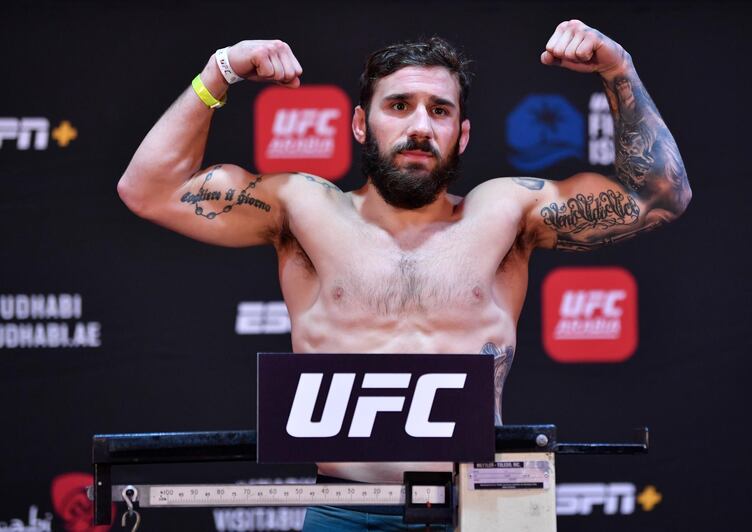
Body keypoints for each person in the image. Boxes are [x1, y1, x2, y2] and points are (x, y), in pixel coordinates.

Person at [118, 19, 691, 531]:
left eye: (440, 111)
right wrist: (219, 71)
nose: (421, 125)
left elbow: (662, 194)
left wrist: (618, 66)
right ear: (362, 125)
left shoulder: (506, 212)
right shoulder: (303, 209)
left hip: (480, 506)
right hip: (344, 508)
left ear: (462, 134)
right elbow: (149, 190)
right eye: (400, 106)